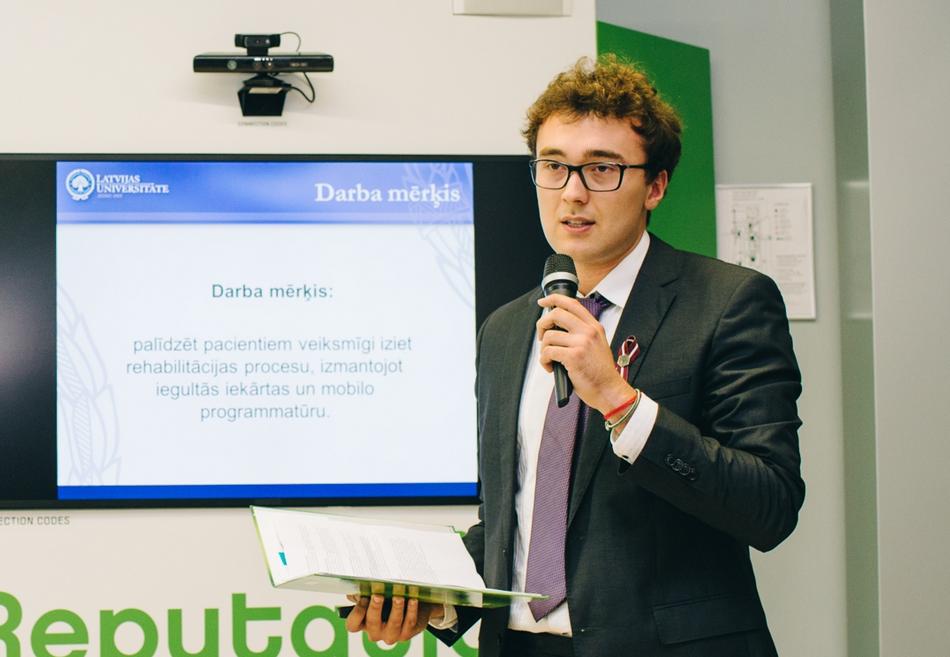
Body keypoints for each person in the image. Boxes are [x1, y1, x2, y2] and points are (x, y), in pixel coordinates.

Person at [346, 54, 804, 657]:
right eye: (554, 167)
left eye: (602, 169)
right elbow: (516, 519)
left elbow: (769, 506)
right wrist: (436, 600)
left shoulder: (728, 302)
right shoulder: (507, 328)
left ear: (655, 186)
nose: (573, 193)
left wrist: (618, 400)